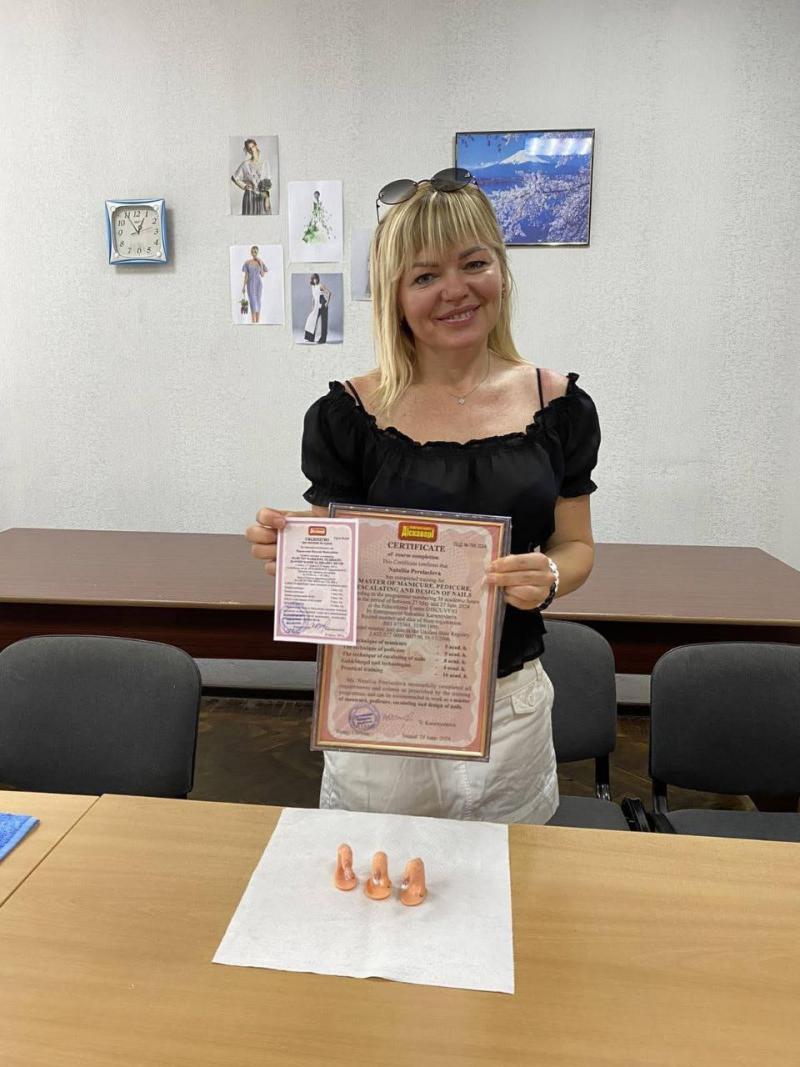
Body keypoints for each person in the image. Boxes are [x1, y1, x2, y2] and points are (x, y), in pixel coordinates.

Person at [245, 172, 600, 824]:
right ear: (396, 296)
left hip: (509, 708)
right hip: (383, 708)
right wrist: (298, 552)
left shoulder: (560, 407)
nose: (455, 289)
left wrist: (549, 574)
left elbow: (576, 545)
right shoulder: (346, 416)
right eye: (426, 275)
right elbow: (333, 580)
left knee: (510, 879)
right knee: (379, 880)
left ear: (501, 270)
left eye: (474, 263)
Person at [231, 139, 272, 215]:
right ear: (248, 150)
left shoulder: (265, 163)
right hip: (249, 196)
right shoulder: (245, 164)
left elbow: (267, 182)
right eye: (249, 148)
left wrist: (267, 198)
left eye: (252, 147)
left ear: (256, 146)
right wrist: (244, 185)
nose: (252, 150)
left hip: (262, 196)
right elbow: (234, 177)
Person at [241, 246, 268, 324]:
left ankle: (258, 322)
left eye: (255, 252)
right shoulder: (247, 262)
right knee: (252, 302)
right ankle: (253, 322)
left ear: (257, 252)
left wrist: (260, 263)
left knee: (258, 301)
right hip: (250, 284)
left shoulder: (260, 262)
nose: (254, 253)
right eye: (252, 252)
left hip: (258, 284)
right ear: (251, 252)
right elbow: (246, 275)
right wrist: (243, 286)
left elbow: (262, 275)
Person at [303, 273, 332, 343]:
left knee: (324, 322)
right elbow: (313, 297)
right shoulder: (313, 287)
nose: (315, 280)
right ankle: (310, 338)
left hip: (323, 304)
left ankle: (323, 339)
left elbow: (329, 292)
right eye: (313, 279)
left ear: (318, 279)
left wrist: (327, 303)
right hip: (316, 306)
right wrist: (312, 306)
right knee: (311, 320)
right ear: (312, 280)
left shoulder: (320, 285)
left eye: (316, 279)